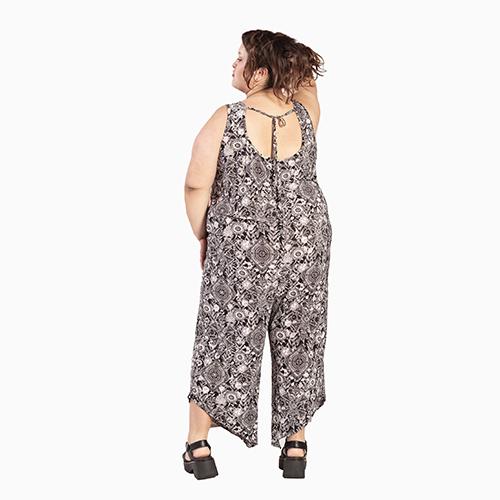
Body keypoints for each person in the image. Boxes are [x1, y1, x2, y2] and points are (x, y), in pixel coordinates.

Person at [182, 29, 332, 479]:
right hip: (306, 243)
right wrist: (290, 59)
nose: (234, 63)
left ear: (260, 72)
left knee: (224, 336)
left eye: (241, 57)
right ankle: (296, 446)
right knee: (299, 337)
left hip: (242, 245)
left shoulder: (225, 118)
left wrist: (204, 234)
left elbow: (195, 184)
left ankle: (199, 445)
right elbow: (308, 81)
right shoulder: (305, 115)